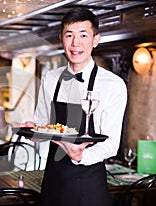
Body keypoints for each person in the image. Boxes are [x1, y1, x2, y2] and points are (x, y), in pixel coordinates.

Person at [25, 7, 127, 206]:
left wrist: (80, 156)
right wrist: (35, 133)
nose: (75, 43)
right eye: (69, 35)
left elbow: (111, 144)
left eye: (83, 35)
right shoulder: (50, 78)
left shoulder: (113, 84)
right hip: (53, 178)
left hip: (88, 181)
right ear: (61, 38)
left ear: (95, 40)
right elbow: (43, 125)